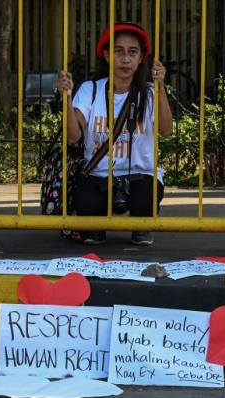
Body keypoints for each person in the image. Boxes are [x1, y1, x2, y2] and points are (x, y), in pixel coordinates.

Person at [56, 22, 173, 245]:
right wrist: (67, 100)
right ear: (107, 56)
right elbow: (73, 136)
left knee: (145, 199)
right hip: (100, 175)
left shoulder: (148, 92)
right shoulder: (91, 90)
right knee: (87, 201)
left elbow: (166, 130)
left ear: (141, 59)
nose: (125, 59)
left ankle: (142, 226)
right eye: (118, 51)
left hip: (141, 175)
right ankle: (95, 228)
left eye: (133, 52)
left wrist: (160, 88)